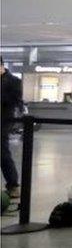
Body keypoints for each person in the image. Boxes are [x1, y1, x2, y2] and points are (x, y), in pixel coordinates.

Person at [0, 58, 23, 198]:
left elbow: (15, 100)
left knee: (2, 153)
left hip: (3, 120)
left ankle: (13, 185)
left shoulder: (14, 81)